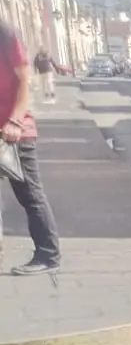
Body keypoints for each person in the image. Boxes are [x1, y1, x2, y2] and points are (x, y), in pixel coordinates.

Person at [4, 27, 61, 275]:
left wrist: (15, 121)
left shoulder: (6, 37)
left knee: (30, 196)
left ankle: (48, 255)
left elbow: (24, 79)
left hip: (14, 132)